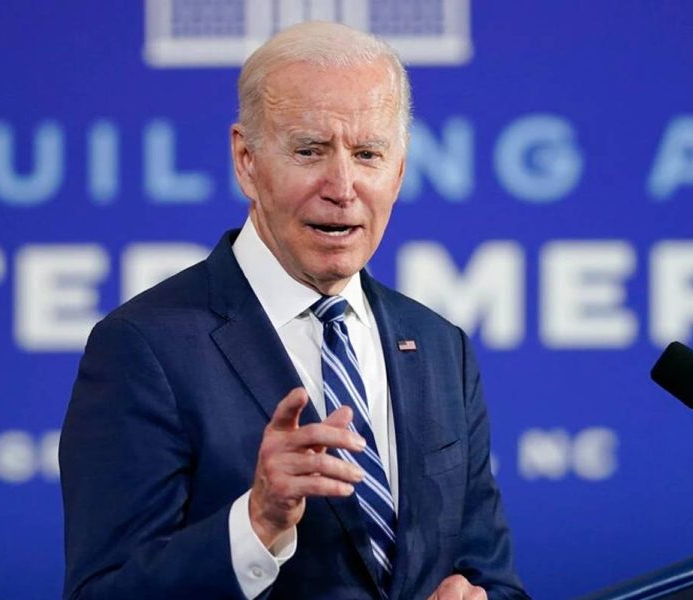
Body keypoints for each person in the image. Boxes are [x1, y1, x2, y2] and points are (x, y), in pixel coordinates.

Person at [59, 21, 529, 600]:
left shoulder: (438, 346)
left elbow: (492, 577)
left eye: (368, 154)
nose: (342, 186)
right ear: (246, 160)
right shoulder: (146, 347)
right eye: (309, 151)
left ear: (400, 171)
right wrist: (255, 525)